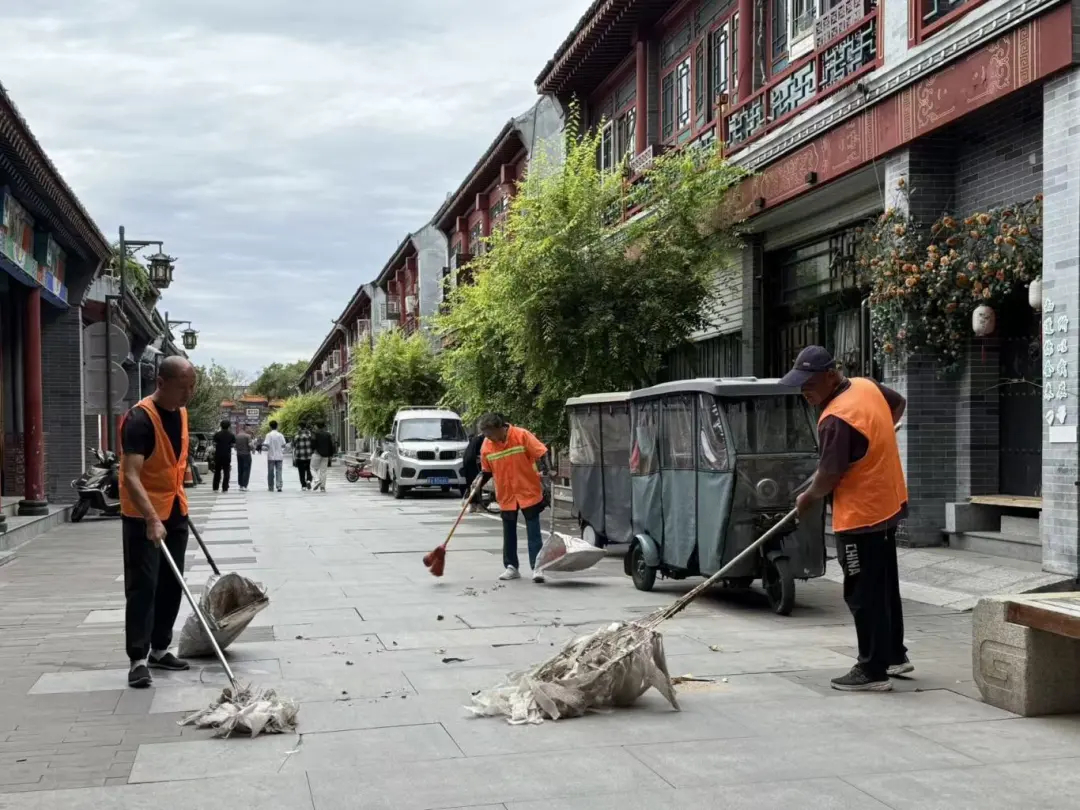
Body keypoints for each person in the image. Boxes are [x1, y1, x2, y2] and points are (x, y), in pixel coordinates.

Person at [784, 345, 910, 693]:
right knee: (883, 586)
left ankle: (872, 669)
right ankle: (894, 655)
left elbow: (828, 476)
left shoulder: (836, 419)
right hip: (888, 503)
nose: (804, 391)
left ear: (830, 375)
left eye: (809, 383)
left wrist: (807, 499)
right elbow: (897, 404)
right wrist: (878, 437)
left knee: (861, 592)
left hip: (860, 515)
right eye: (800, 384)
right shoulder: (866, 387)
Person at [119, 356, 197, 689]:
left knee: (171, 582)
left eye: (193, 388)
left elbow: (176, 463)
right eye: (183, 388)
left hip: (175, 510)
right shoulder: (139, 419)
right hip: (142, 515)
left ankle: (161, 648)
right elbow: (130, 475)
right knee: (143, 585)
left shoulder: (180, 412)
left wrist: (181, 503)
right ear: (161, 383)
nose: (188, 395)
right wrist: (152, 518)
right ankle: (138, 658)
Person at [479, 412, 549, 583]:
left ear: (501, 428)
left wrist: (548, 470)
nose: (488, 438)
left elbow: (542, 452)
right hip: (506, 493)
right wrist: (476, 487)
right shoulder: (487, 446)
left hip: (528, 490)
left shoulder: (521, 435)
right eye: (486, 435)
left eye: (490, 433)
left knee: (533, 530)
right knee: (508, 531)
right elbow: (486, 471)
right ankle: (511, 566)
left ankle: (538, 567)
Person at [462, 428, 487, 513]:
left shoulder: (476, 438)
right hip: (472, 462)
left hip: (466, 461)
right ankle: (477, 505)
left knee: (471, 483)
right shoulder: (483, 439)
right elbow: (482, 453)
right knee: (477, 483)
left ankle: (473, 505)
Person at [311, 420, 336, 492]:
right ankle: (322, 487)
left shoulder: (315, 433)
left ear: (317, 426)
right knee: (323, 471)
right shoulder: (328, 434)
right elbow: (331, 445)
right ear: (324, 426)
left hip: (317, 453)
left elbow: (313, 443)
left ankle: (317, 480)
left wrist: (313, 449)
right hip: (325, 455)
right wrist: (331, 454)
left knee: (312, 468)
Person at [211, 419, 236, 493]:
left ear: (221, 426)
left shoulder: (217, 434)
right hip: (227, 455)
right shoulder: (231, 435)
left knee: (217, 471)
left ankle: (215, 487)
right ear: (229, 426)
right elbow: (233, 444)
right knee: (226, 472)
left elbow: (214, 444)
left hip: (218, 455)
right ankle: (225, 488)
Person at [265, 420, 286, 492]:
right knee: (279, 471)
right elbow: (284, 444)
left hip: (271, 456)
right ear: (277, 426)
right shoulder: (280, 435)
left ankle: (271, 487)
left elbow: (266, 444)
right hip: (279, 456)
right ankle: (279, 486)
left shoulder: (268, 435)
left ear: (270, 427)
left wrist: (270, 447)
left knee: (270, 472)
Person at [293, 423, 313, 490]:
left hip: (300, 456)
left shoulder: (297, 435)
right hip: (309, 456)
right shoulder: (310, 435)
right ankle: (309, 480)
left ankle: (303, 486)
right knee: (309, 470)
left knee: (301, 471)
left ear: (299, 426)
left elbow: (293, 445)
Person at [235, 425, 253, 491]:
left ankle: (240, 485)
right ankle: (245, 485)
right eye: (250, 428)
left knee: (240, 469)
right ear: (246, 428)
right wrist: (253, 448)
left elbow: (235, 446)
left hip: (239, 455)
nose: (250, 429)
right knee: (246, 470)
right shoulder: (248, 436)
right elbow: (250, 444)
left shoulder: (237, 436)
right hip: (246, 454)